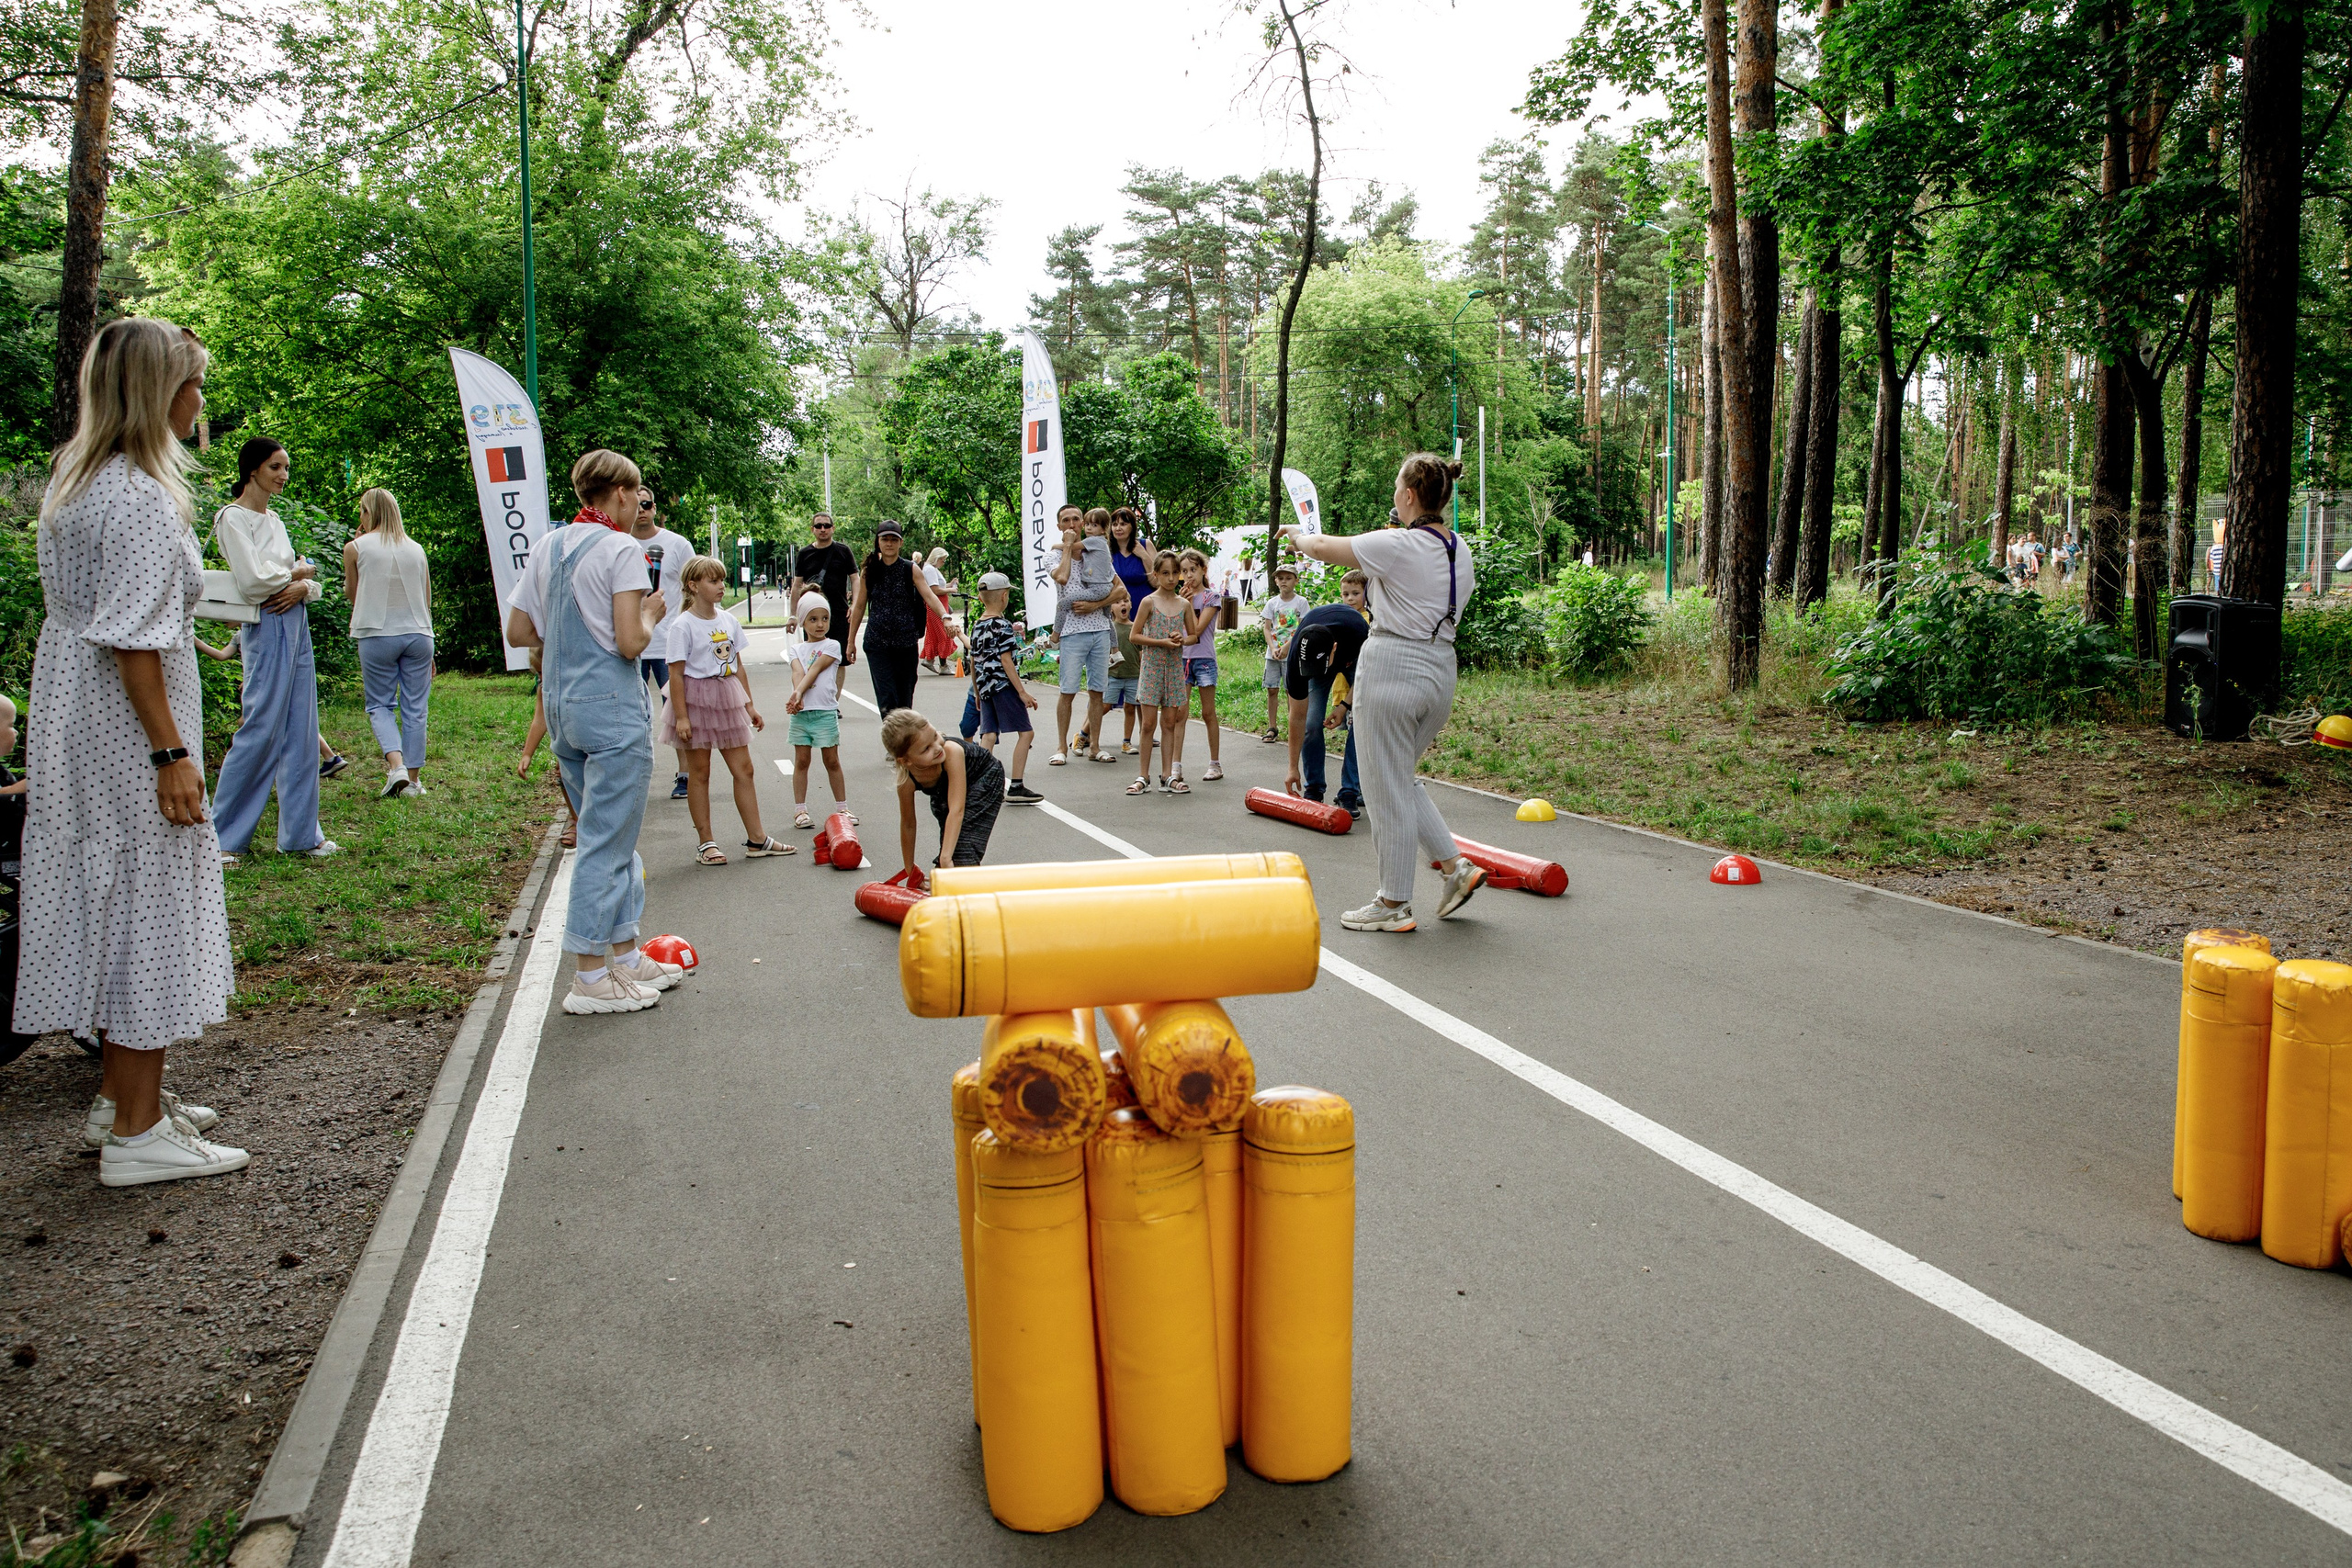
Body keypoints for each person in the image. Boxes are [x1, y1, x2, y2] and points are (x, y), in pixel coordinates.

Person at [17, 316, 245, 1184]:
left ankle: (123, 1100)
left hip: (75, 716)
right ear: (161, 393)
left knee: (109, 894)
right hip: (124, 729)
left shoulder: (80, 483)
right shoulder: (144, 498)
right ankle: (138, 1133)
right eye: (193, 385)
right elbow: (136, 642)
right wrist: (172, 753)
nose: (199, 402)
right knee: (147, 897)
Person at [504, 448, 686, 1014]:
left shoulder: (549, 545)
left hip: (563, 707)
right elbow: (633, 642)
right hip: (612, 709)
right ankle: (588, 975)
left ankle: (626, 955)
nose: (639, 506)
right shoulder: (621, 549)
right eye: (637, 495)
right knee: (606, 843)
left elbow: (518, 630)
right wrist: (653, 612)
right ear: (623, 494)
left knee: (610, 834)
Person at [1283, 454, 1488, 933]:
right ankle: (1456, 868)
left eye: (1397, 488)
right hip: (1440, 669)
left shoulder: (1397, 543)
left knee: (1383, 789)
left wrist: (1296, 535)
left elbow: (1319, 545)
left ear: (1410, 495)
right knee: (1398, 777)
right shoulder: (1458, 548)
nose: (1394, 495)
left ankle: (1393, 901)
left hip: (1394, 663)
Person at [209, 436, 334, 864]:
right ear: (253, 470)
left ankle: (301, 835)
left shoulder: (276, 520)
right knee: (260, 727)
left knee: (302, 726)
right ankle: (223, 838)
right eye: (276, 467)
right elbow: (252, 582)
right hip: (264, 625)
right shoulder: (232, 518)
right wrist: (296, 573)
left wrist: (302, 583)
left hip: (294, 620)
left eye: (285, 468)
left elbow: (302, 583)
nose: (283, 475)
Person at [661, 556, 790, 865]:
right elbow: (675, 674)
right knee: (700, 772)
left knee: (744, 769)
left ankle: (757, 839)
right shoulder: (682, 625)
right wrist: (681, 717)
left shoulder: (728, 620)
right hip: (696, 700)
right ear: (693, 586)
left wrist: (749, 705)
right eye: (713, 581)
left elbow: (737, 666)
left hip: (726, 696)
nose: (721, 586)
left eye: (721, 580)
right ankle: (706, 843)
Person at [341, 487, 435, 800]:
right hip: (419, 634)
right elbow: (426, 598)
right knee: (415, 708)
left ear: (369, 513)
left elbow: (353, 596)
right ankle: (414, 780)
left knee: (380, 704)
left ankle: (396, 767)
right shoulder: (416, 548)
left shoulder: (355, 547)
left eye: (361, 511)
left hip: (376, 633)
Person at [1283, 570, 1369, 818]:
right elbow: (1296, 717)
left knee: (1360, 719)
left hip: (1355, 660)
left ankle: (1349, 791)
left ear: (1333, 649)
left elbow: (1366, 677)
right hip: (1318, 649)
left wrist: (1343, 706)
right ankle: (1314, 788)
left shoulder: (1359, 633)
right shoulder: (1296, 660)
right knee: (1311, 722)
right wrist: (1292, 768)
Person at [630, 487, 697, 801]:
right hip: (630, 643)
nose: (642, 509)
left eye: (647, 504)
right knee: (631, 715)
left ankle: (685, 775)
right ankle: (631, 779)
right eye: (637, 504)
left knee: (677, 711)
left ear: (655, 507)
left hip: (668, 645)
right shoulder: (617, 543)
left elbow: (693, 587)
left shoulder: (676, 544)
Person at [844, 519, 948, 716]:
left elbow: (929, 596)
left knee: (904, 701)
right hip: (877, 643)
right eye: (885, 539)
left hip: (905, 643)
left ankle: (904, 745)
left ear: (901, 543)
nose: (889, 543)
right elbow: (859, 607)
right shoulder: (869, 570)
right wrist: (850, 642)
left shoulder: (910, 569)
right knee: (887, 700)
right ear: (878, 542)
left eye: (894, 539)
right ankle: (894, 745)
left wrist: (945, 616)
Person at [886, 708, 1004, 874]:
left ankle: (966, 884)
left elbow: (957, 810)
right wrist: (910, 869)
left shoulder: (951, 751)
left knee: (963, 849)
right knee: (951, 846)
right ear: (905, 760)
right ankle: (950, 877)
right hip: (945, 790)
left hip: (985, 777)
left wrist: (946, 858)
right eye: (926, 749)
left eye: (935, 736)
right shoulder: (906, 781)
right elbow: (908, 824)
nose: (937, 747)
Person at [1048, 508, 1119, 765]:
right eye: (1066, 520)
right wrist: (1067, 548)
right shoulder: (1054, 555)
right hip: (1071, 632)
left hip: (1099, 628)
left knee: (1097, 691)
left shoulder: (1097, 550)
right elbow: (1063, 577)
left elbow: (1119, 589)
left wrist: (1094, 605)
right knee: (1067, 691)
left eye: (1076, 520)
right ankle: (1061, 748)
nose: (1072, 524)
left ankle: (1095, 747)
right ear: (1059, 525)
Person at [967, 570, 1042, 803]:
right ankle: (1016, 786)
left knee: (988, 734)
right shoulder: (1003, 625)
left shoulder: (977, 625)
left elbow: (973, 661)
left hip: (985, 686)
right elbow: (1006, 659)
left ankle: (980, 785)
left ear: (981, 598)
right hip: (1003, 685)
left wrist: (977, 692)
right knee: (1026, 732)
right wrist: (1021, 692)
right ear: (1004, 596)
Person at [1129, 551, 1194, 795]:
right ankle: (1142, 776)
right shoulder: (1149, 602)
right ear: (1155, 575)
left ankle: (1167, 775)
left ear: (1179, 575)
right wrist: (1160, 642)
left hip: (1174, 669)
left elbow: (1193, 635)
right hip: (1152, 669)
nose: (1170, 578)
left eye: (1174, 573)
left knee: (1169, 722)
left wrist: (1182, 639)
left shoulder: (1184, 604)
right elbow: (1134, 635)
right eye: (1164, 573)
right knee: (1148, 724)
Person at [785, 593, 850, 829]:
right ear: (802, 622)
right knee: (801, 761)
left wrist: (797, 693)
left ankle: (842, 807)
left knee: (832, 761)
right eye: (813, 619)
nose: (820, 624)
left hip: (825, 712)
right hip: (802, 715)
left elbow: (815, 669)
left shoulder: (832, 645)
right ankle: (800, 811)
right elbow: (798, 673)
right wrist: (797, 696)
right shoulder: (796, 649)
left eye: (824, 618)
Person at [787, 513, 859, 671]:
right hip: (813, 614)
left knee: (839, 660)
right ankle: (817, 694)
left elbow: (855, 578)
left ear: (833, 528)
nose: (823, 529)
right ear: (812, 529)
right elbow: (797, 585)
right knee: (814, 658)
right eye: (818, 526)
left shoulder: (843, 551)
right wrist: (793, 615)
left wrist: (854, 605)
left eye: (826, 526)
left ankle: (834, 696)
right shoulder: (805, 553)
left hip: (839, 613)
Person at [1180, 549, 1225, 781]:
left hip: (1204, 658)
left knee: (1208, 712)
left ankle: (1215, 763)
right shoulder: (1179, 598)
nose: (1189, 576)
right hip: (1183, 658)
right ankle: (1175, 765)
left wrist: (1187, 606)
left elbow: (1196, 632)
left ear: (1203, 570)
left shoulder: (1211, 597)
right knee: (1180, 712)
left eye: (1193, 570)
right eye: (1184, 571)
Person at [1258, 564, 1308, 741]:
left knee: (1290, 690)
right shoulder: (1272, 603)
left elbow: (1302, 628)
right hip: (1273, 653)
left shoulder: (1301, 602)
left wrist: (1287, 648)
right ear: (1276, 581)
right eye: (1281, 578)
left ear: (1296, 580)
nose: (1284, 582)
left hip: (1291, 653)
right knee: (1272, 689)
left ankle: (1292, 725)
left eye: (1288, 578)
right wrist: (1272, 648)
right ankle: (1272, 727)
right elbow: (1267, 628)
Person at [1105, 590, 1142, 755]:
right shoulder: (1109, 628)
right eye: (1118, 602)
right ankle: (1085, 733)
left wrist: (1143, 674)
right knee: (1104, 706)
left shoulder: (1136, 628)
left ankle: (1126, 742)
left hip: (1133, 675)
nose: (1123, 604)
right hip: (1113, 676)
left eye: (1126, 601)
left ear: (1131, 605)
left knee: (1130, 708)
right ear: (1111, 608)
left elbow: (1141, 653)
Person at [1107, 506, 1157, 615]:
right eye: (1115, 524)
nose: (1118, 528)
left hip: (1145, 608)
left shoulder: (1146, 545)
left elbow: (1157, 582)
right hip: (1118, 612)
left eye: (1123, 524)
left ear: (1132, 527)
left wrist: (1144, 555)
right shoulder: (1106, 550)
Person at [921, 547, 958, 674]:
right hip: (936, 605)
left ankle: (930, 659)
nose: (943, 562)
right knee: (945, 633)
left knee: (934, 634)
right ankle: (943, 664)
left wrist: (949, 584)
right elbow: (934, 590)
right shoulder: (929, 569)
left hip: (940, 604)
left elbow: (939, 585)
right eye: (943, 559)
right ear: (936, 558)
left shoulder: (933, 569)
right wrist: (951, 590)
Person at [2208, 520, 2227, 592]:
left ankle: (2218, 593)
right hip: (2225, 571)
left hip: (2216, 571)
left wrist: (2212, 568)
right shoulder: (2225, 547)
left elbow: (2211, 560)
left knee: (2217, 588)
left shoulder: (2213, 548)